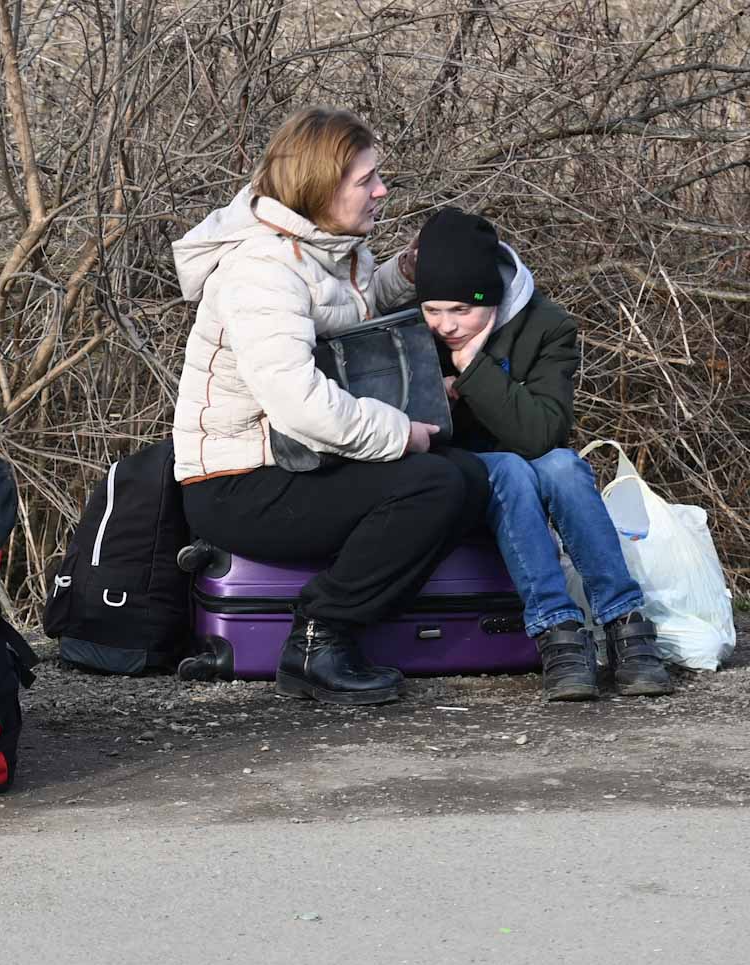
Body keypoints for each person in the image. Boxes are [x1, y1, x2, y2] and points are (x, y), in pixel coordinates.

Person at [171, 108, 489, 706]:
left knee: (466, 476)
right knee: (431, 485)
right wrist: (401, 435)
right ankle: (319, 638)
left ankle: (349, 621)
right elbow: (297, 403)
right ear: (321, 185)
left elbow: (346, 317)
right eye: (366, 179)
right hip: (239, 482)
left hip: (295, 463)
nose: (381, 190)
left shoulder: (324, 246)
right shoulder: (261, 270)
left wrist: (405, 273)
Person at [415, 207, 674, 700]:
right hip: (456, 473)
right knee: (512, 469)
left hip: (532, 460)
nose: (445, 326)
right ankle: (558, 633)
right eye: (434, 309)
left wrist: (473, 371)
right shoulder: (409, 330)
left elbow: (542, 434)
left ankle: (625, 625)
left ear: (491, 296)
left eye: (461, 311)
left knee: (564, 465)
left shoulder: (548, 326)